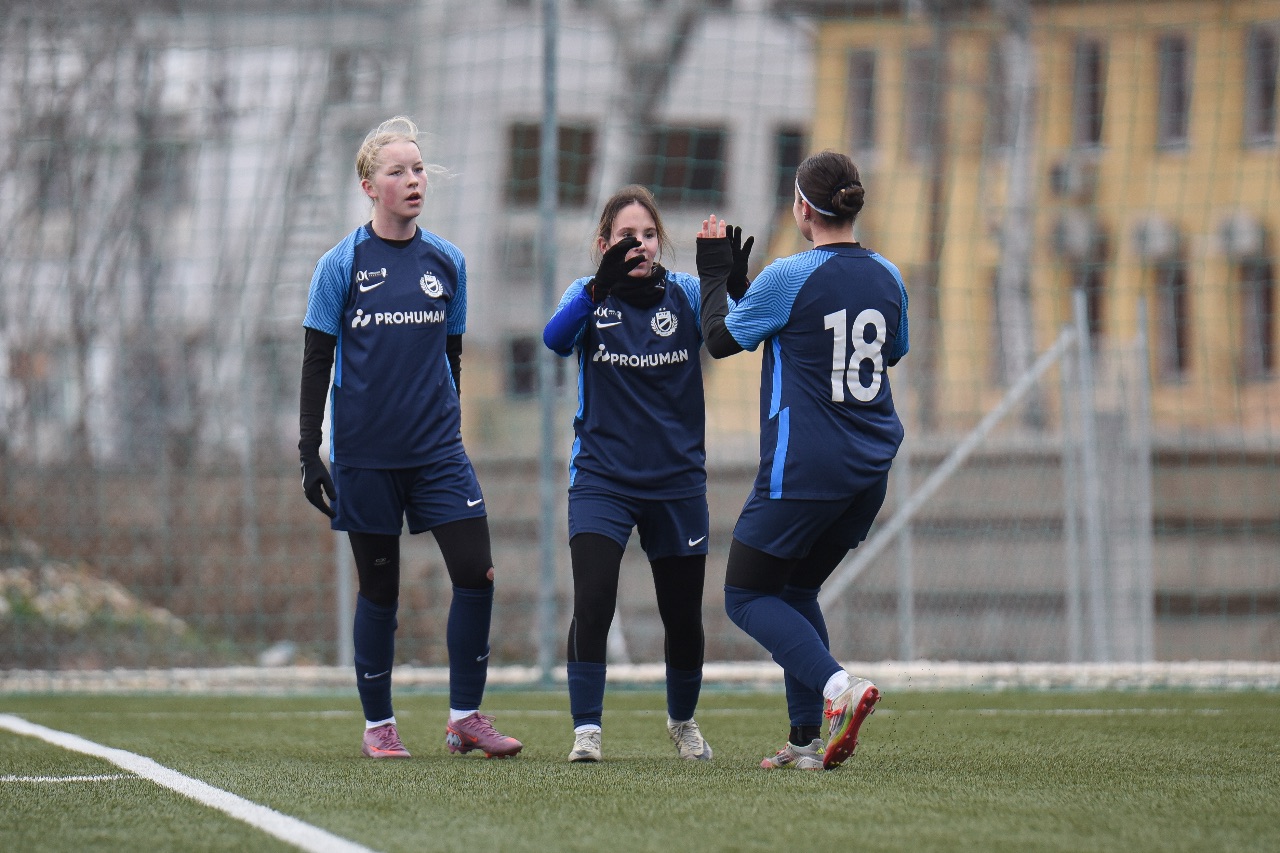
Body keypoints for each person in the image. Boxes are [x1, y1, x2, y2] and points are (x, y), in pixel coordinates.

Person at [298, 115, 521, 760]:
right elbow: (316, 360)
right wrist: (310, 451)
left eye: (418, 169)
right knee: (380, 590)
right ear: (370, 186)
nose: (413, 180)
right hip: (366, 456)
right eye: (397, 171)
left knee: (477, 572)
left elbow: (451, 358)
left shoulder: (448, 262)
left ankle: (465, 718)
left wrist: (446, 421)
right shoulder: (340, 265)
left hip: (438, 454)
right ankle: (379, 726)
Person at [695, 150, 908, 770]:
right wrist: (746, 291)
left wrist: (715, 276)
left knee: (744, 595)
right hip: (867, 473)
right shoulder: (888, 274)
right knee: (794, 589)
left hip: (805, 468)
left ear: (801, 209)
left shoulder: (789, 272)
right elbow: (885, 350)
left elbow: (720, 339)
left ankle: (840, 687)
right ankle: (805, 741)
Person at [543, 185, 726, 763]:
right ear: (605, 245)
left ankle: (682, 721)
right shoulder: (586, 295)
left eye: (648, 235)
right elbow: (554, 339)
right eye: (627, 236)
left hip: (676, 482)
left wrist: (722, 276)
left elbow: (729, 335)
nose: (640, 244)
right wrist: (597, 288)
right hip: (602, 479)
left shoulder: (685, 294)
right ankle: (586, 731)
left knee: (683, 615)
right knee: (594, 598)